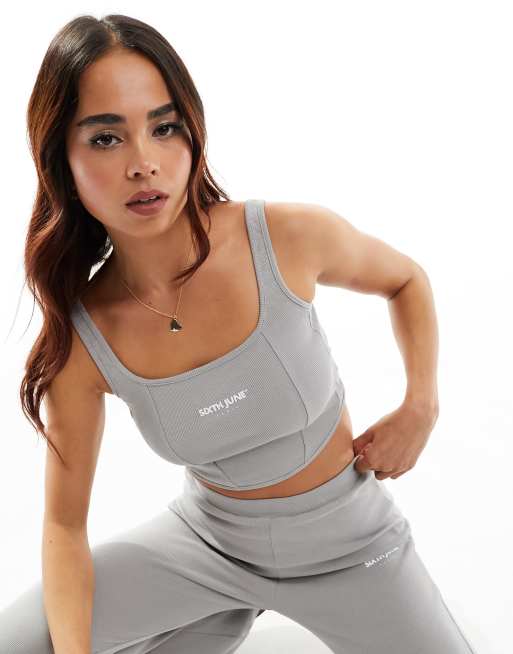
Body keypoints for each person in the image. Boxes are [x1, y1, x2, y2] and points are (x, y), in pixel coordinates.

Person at [0, 13, 478, 654]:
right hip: (206, 547)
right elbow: (63, 527)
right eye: (106, 138)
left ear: (192, 132)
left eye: (163, 127)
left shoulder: (284, 237)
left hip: (351, 545)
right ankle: (223, 610)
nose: (144, 163)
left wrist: (420, 405)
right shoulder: (81, 340)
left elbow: (406, 279)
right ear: (60, 156)